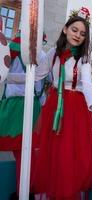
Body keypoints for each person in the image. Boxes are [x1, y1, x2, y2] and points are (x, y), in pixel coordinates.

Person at [28, 8, 92, 199]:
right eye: (74, 30)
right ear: (65, 29)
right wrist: (11, 76)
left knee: (70, 155)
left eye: (82, 33)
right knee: (53, 152)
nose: (78, 35)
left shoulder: (84, 59)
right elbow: (36, 75)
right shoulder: (52, 54)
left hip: (75, 109)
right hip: (54, 106)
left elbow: (88, 84)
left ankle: (69, 194)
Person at [0, 31, 47, 200]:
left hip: (16, 103)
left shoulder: (11, 48)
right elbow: (42, 81)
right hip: (30, 104)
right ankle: (27, 190)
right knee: (24, 150)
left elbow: (4, 75)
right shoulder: (40, 54)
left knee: (22, 150)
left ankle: (26, 190)